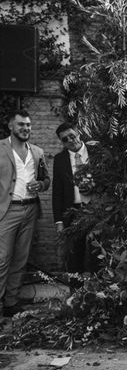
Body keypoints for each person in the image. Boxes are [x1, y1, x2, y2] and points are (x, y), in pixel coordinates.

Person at [0, 110, 50, 317]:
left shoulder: (37, 152)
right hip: (7, 210)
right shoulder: (0, 148)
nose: (25, 128)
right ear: (11, 126)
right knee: (2, 258)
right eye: (21, 124)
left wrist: (41, 184)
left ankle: (11, 302)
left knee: (21, 258)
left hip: (30, 209)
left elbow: (46, 180)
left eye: (28, 125)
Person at [52, 122, 96, 285]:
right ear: (62, 142)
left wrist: (95, 186)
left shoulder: (96, 152)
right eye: (65, 139)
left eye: (72, 135)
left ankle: (99, 293)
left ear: (79, 133)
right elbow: (57, 192)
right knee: (73, 256)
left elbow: (110, 180)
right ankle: (76, 296)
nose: (71, 140)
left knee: (97, 253)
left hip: (96, 210)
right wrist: (59, 221)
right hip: (72, 212)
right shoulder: (60, 159)